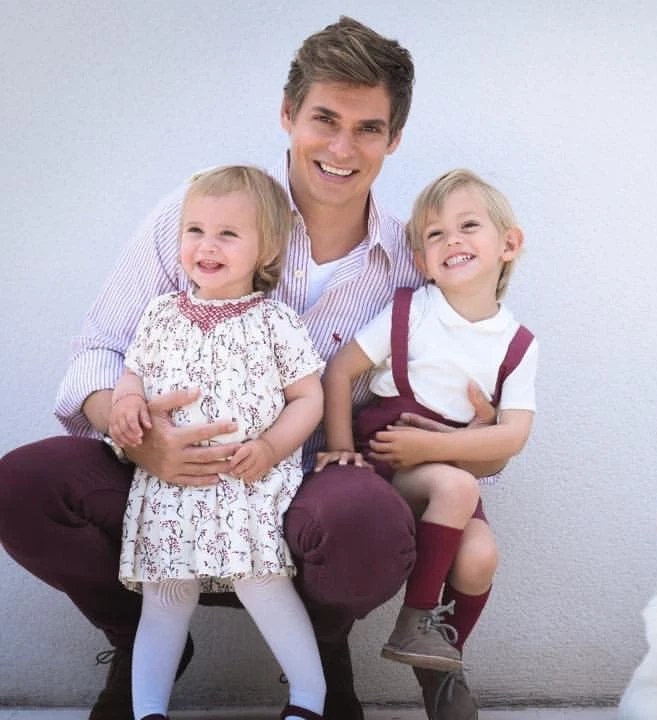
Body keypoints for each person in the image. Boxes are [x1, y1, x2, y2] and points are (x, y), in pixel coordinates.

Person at [0, 16, 505, 720]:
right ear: (288, 113)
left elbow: (449, 378)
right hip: (164, 477)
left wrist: (472, 426)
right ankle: (142, 640)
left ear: (393, 139)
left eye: (367, 128)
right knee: (22, 484)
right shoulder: (199, 215)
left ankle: (322, 653)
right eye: (324, 119)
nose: (342, 148)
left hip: (310, 491)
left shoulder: (411, 260)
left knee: (367, 521)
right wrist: (134, 430)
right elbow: (100, 348)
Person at [316, 169, 537, 717]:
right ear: (420, 259)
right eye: (435, 234)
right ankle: (414, 621)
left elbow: (514, 434)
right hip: (387, 461)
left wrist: (439, 448)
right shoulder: (412, 311)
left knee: (481, 556)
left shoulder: (518, 344)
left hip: (441, 469)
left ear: (509, 244)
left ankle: (439, 663)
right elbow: (340, 370)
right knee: (459, 486)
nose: (452, 240)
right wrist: (340, 448)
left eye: (468, 226)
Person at [109, 165, 327, 720]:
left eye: (228, 234)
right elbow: (134, 373)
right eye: (195, 230)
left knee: (262, 583)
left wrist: (272, 448)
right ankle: (148, 710)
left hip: (245, 481)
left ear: (266, 248)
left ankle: (308, 699)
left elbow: (309, 398)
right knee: (166, 594)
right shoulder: (160, 313)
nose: (207, 246)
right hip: (171, 485)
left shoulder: (276, 321)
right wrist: (127, 402)